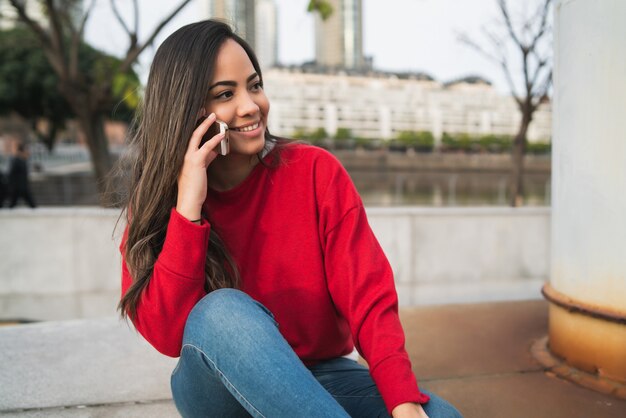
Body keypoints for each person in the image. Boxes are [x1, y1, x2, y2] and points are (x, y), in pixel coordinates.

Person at [118, 20, 462, 418]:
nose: (251, 106)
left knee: (438, 416)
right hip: (217, 391)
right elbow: (166, 335)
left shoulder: (315, 172)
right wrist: (188, 209)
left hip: (319, 377)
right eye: (226, 94)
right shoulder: (160, 205)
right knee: (222, 312)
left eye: (255, 85)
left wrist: (404, 404)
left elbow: (368, 298)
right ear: (185, 110)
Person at [8, 142, 37, 208]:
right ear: (21, 152)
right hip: (19, 187)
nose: (28, 152)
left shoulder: (21, 161)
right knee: (32, 205)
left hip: (21, 187)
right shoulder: (17, 161)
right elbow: (12, 175)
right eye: (26, 150)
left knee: (12, 204)